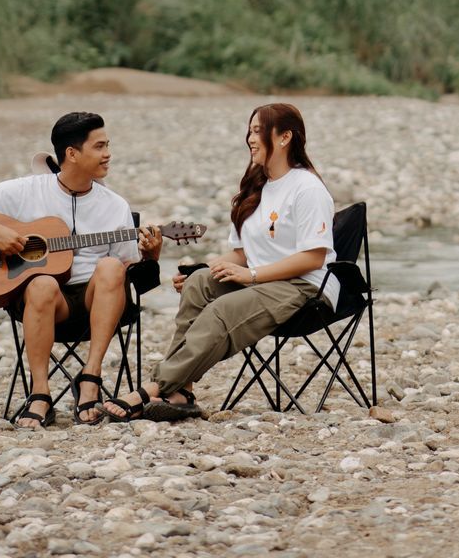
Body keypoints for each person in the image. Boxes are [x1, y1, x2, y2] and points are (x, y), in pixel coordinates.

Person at [102, 102, 337, 421]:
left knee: (221, 310)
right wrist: (204, 269)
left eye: (258, 131)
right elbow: (241, 253)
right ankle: (181, 392)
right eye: (249, 131)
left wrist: (251, 275)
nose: (250, 139)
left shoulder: (307, 188)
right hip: (263, 281)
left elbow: (314, 257)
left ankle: (153, 388)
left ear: (285, 138)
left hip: (304, 286)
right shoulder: (257, 188)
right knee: (199, 284)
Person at [0, 111, 162, 427]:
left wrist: (151, 257)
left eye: (107, 145)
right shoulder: (27, 190)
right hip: (44, 303)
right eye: (99, 146)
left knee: (112, 266)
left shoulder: (115, 205)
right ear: (72, 154)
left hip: (95, 303)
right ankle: (40, 393)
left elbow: (130, 273)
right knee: (43, 282)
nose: (108, 154)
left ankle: (90, 378)